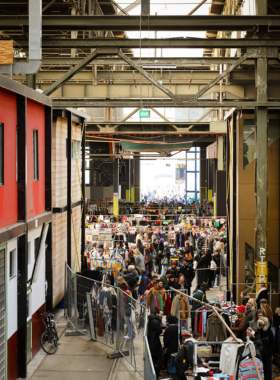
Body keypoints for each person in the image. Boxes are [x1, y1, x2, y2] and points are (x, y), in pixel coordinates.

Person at [147, 307, 163, 373]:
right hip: (154, 343)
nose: (161, 316)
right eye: (161, 314)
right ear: (157, 314)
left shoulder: (152, 320)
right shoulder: (155, 322)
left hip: (152, 341)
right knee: (155, 358)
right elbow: (160, 331)